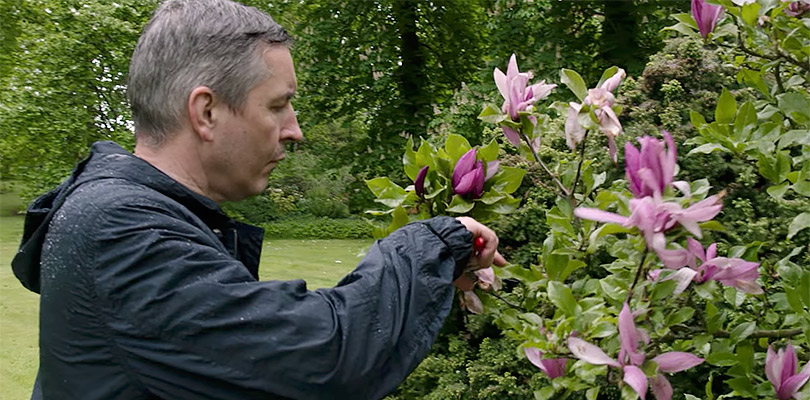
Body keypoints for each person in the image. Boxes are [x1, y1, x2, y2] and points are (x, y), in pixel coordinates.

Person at [11, 0, 506, 399]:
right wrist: (438, 241)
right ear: (205, 112)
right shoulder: (121, 229)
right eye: (277, 105)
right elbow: (324, 359)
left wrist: (435, 272)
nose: (295, 130)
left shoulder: (124, 216)